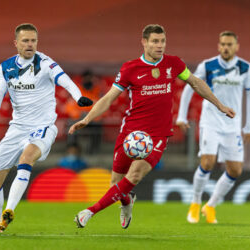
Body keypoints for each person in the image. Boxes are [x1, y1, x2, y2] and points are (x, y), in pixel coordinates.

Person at [69, 24, 235, 229]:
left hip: (158, 134)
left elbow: (195, 82)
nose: (160, 45)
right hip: (131, 132)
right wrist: (87, 118)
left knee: (135, 175)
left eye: (162, 41)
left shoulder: (174, 64)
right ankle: (127, 202)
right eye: (155, 41)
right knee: (116, 184)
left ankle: (89, 212)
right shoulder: (130, 68)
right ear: (144, 42)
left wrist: (220, 105)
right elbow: (109, 98)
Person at [0, 23, 93, 233]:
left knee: (26, 158)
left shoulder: (46, 63)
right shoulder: (6, 67)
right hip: (16, 128)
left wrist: (78, 96)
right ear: (16, 43)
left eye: (33, 40)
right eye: (26, 40)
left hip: (43, 126)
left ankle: (9, 211)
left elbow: (65, 80)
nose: (30, 44)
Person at [176, 31, 250, 224]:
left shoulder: (245, 68)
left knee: (236, 170)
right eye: (223, 44)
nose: (226, 47)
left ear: (237, 46)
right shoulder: (208, 66)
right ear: (218, 46)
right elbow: (189, 86)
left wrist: (249, 126)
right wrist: (181, 115)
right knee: (207, 162)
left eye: (230, 44)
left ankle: (210, 205)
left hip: (233, 125)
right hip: (211, 122)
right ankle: (195, 203)